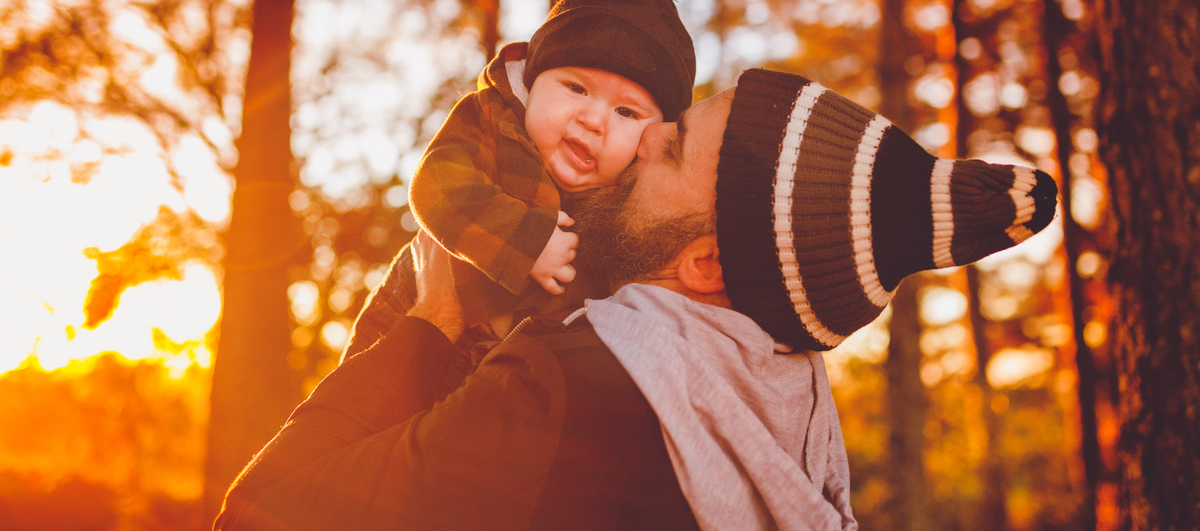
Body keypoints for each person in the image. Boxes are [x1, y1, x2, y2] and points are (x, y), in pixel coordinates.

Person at [215, 68, 1057, 531]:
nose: (645, 131)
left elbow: (260, 513)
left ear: (705, 263)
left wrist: (432, 322)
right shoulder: (786, 414)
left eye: (676, 142)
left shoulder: (575, 386)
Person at [399, 0, 701, 363]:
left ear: (653, 137)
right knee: (361, 410)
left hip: (512, 371)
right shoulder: (492, 118)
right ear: (531, 82)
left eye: (625, 111)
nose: (593, 120)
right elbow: (438, 185)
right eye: (576, 88)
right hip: (413, 316)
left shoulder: (632, 202)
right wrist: (526, 239)